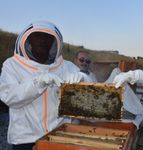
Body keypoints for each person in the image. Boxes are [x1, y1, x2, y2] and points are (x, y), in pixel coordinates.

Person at [0, 21, 90, 150]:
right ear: (29, 40)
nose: (42, 41)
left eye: (48, 38)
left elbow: (91, 93)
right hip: (26, 138)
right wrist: (38, 83)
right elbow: (9, 97)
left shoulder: (68, 66)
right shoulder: (12, 65)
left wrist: (83, 78)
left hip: (61, 133)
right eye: (38, 36)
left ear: (54, 42)